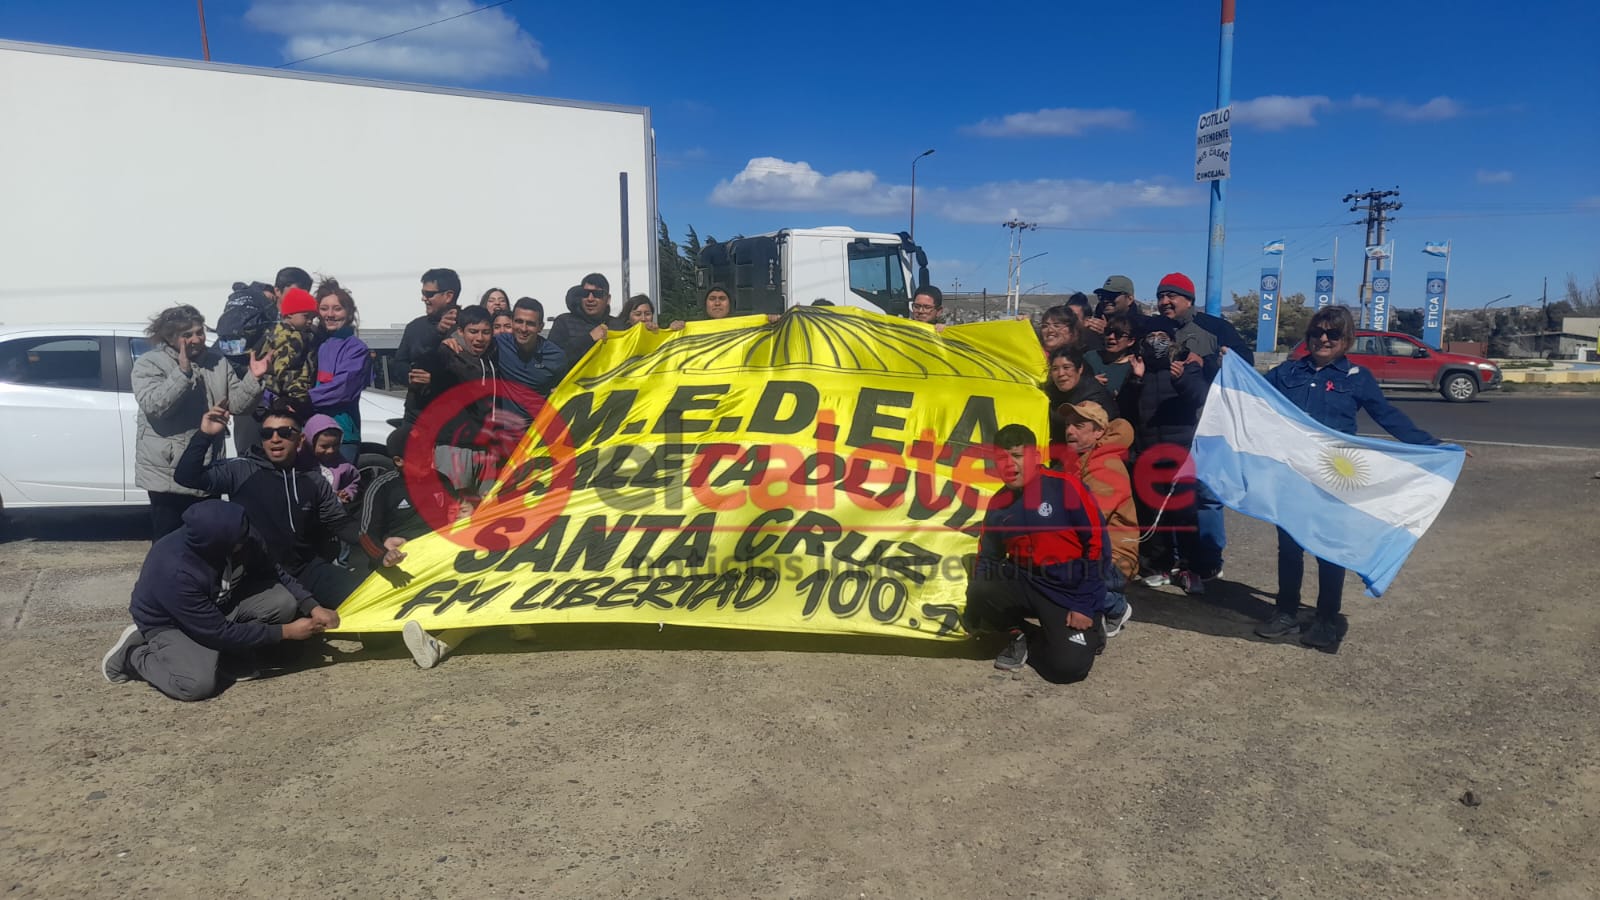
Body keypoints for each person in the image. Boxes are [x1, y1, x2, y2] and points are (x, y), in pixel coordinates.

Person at [1254, 306, 1443, 652]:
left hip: (1334, 478)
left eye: (1333, 334)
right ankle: (1285, 612)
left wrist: (1434, 447)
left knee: (1330, 550)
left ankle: (1326, 618)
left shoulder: (1357, 377)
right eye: (1317, 333)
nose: (1323, 339)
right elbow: (1252, 396)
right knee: (1290, 548)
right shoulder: (1287, 372)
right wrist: (1223, 368)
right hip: (1293, 476)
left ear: (1347, 340)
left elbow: (1388, 416)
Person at [99, 500, 337, 701]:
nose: (246, 540)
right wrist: (286, 632)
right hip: (171, 622)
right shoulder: (174, 571)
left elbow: (274, 571)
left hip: (217, 606)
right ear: (215, 545)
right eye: (238, 541)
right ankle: (134, 654)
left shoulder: (242, 534)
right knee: (196, 684)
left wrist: (313, 606)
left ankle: (229, 658)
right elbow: (217, 632)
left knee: (283, 602)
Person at [175, 400, 371, 607]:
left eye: (285, 433)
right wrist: (205, 435)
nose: (275, 439)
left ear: (300, 439)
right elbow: (186, 476)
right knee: (286, 606)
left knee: (365, 594)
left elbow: (340, 523)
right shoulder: (241, 470)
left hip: (305, 568)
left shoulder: (313, 479)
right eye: (267, 434)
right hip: (258, 575)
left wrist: (380, 547)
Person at [963, 424, 1109, 683]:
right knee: (980, 586)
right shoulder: (998, 504)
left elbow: (1098, 548)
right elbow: (988, 557)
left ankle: (1092, 625)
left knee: (1067, 669)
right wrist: (977, 606)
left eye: (1017, 456)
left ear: (1036, 457)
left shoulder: (1066, 487)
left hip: (1068, 590)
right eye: (1001, 458)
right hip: (1027, 581)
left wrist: (1084, 605)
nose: (1009, 465)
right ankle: (1020, 635)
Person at [133, 304, 268, 539]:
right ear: (170, 337)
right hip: (168, 472)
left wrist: (253, 380)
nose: (197, 339)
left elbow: (238, 405)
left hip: (207, 467)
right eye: (187, 334)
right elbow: (155, 406)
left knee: (208, 538)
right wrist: (183, 373)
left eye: (200, 332)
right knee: (170, 542)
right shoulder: (150, 363)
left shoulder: (217, 361)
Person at [1133, 273, 1225, 594]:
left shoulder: (1186, 364)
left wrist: (1183, 378)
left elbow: (1200, 399)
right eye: (1151, 336)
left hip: (1182, 451)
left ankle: (1190, 568)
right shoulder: (1139, 369)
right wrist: (1136, 378)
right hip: (1149, 449)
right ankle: (1158, 564)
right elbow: (1129, 406)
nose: (1156, 340)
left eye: (1162, 335)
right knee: (1153, 511)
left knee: (1185, 513)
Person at [1059, 402, 1137, 636]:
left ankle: (1115, 606)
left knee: (1050, 581)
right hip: (1091, 552)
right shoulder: (1076, 461)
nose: (1069, 430)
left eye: (1079, 425)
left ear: (1099, 432)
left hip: (1115, 560)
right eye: (1068, 424)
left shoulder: (1106, 466)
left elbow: (1087, 522)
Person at [309, 277, 371, 463]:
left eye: (337, 309)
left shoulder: (356, 348)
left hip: (341, 435)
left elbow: (343, 389)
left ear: (349, 312)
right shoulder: (311, 342)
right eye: (324, 308)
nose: (330, 314)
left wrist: (301, 399)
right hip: (309, 431)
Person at [496, 297, 568, 401]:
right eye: (519, 321)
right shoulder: (500, 344)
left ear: (540, 327)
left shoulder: (556, 357)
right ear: (512, 322)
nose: (523, 328)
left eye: (530, 324)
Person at [260, 286, 320, 410]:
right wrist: (299, 397)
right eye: (306, 316)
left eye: (313, 318)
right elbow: (287, 369)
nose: (310, 321)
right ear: (290, 314)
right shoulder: (292, 338)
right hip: (289, 396)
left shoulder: (273, 332)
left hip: (272, 393)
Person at [395, 268, 460, 380]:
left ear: (448, 296)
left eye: (429, 294)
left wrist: (434, 379)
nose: (424, 298)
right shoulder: (415, 327)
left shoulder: (469, 325)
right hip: (422, 392)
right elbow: (398, 364)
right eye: (423, 293)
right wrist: (411, 376)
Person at [1044, 345, 1118, 443]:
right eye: (1055, 369)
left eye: (1066, 367)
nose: (1061, 373)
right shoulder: (1050, 392)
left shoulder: (1094, 396)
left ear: (1080, 369)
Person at [548, 274, 612, 362]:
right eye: (585, 294)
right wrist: (589, 339)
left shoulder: (619, 325)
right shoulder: (564, 322)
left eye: (597, 294)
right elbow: (552, 359)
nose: (590, 299)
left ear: (608, 299)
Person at [300, 414, 360, 505]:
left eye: (335, 445)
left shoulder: (343, 466)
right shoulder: (298, 460)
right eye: (324, 446)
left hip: (330, 509)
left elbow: (353, 482)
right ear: (309, 442)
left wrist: (346, 493)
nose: (330, 451)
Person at [1087, 313, 1138, 400]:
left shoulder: (1134, 367)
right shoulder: (1089, 357)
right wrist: (1088, 383)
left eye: (1118, 334)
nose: (1111, 337)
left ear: (1130, 341)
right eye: (1108, 332)